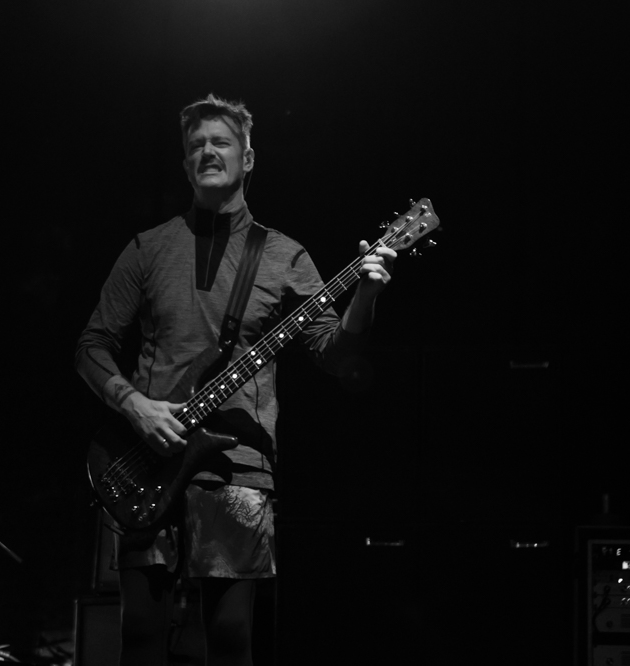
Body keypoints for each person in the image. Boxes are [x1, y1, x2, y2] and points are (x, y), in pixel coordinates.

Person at [75, 94, 396, 666]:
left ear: (247, 159)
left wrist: (366, 296)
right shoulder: (148, 248)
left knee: (230, 638)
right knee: (140, 635)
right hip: (145, 458)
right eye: (196, 145)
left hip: (239, 467)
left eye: (220, 142)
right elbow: (91, 346)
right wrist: (134, 406)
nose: (207, 151)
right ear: (185, 164)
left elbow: (333, 353)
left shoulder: (285, 255)